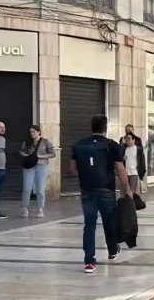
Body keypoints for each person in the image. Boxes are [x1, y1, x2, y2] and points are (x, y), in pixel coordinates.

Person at [70, 115, 132, 273]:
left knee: (89, 225)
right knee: (109, 222)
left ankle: (89, 261)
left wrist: (84, 178)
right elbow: (120, 169)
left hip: (87, 191)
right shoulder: (111, 145)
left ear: (91, 127)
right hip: (106, 190)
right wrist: (128, 189)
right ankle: (112, 250)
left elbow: (73, 168)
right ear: (105, 128)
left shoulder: (80, 144)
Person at [19, 125, 55, 218]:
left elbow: (52, 154)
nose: (32, 134)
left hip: (41, 165)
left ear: (39, 132)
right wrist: (27, 155)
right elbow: (21, 151)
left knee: (40, 188)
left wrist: (40, 156)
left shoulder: (45, 142)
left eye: (33, 131)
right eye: (30, 132)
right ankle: (25, 208)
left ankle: (40, 209)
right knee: (27, 187)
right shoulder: (26, 142)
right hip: (29, 166)